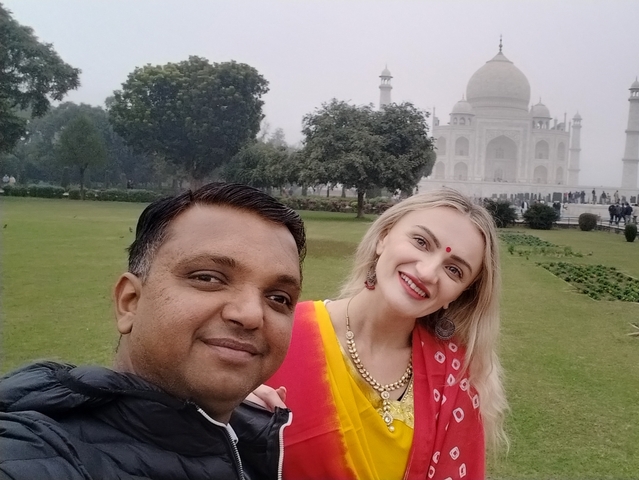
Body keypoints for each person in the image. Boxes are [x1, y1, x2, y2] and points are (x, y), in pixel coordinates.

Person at [0, 183, 306, 479]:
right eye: (209, 278)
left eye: (278, 298)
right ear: (129, 302)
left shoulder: (261, 440)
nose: (251, 314)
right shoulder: (37, 452)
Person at [254, 188, 506, 480]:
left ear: (460, 294)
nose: (427, 272)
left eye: (454, 270)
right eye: (421, 242)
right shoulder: (282, 333)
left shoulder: (456, 376)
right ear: (383, 237)